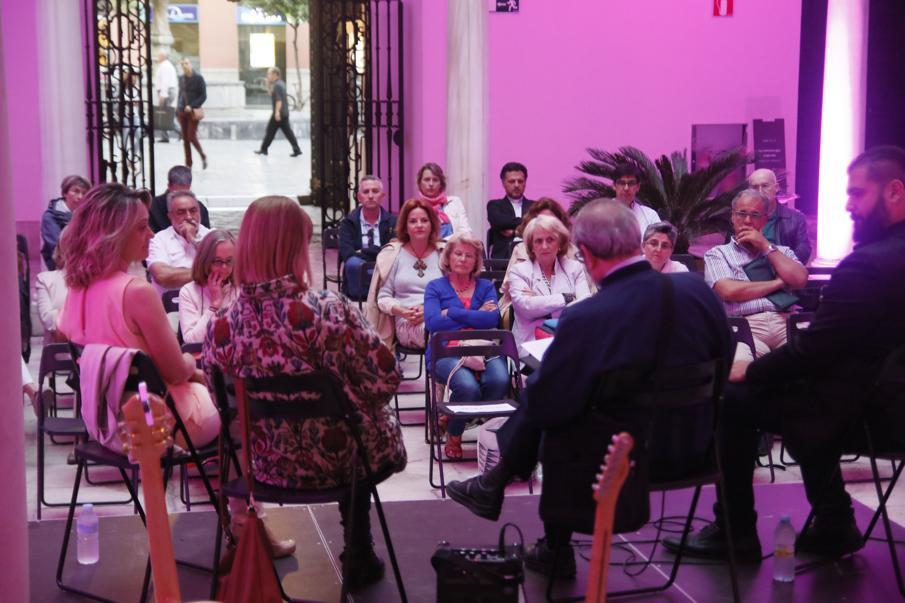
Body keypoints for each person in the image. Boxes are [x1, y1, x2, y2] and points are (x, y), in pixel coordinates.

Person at [445, 199, 733, 577]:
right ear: (637, 240)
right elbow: (725, 358)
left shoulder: (587, 316)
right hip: (697, 448)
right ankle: (495, 485)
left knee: (556, 408)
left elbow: (548, 406)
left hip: (614, 462)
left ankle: (548, 541)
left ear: (584, 255)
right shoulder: (698, 291)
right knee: (561, 397)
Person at [669, 146, 905, 562]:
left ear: (894, 192)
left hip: (872, 411)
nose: (847, 204)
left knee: (735, 400)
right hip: (881, 394)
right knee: (798, 392)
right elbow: (762, 293)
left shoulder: (868, 265)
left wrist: (753, 373)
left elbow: (815, 349)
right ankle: (834, 521)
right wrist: (781, 291)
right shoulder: (722, 256)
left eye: (857, 193)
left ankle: (735, 531)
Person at [203, 195, 406, 590]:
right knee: (356, 429)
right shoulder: (330, 309)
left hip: (265, 467)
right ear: (296, 247)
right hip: (341, 461)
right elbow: (386, 377)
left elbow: (221, 403)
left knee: (349, 427)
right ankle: (359, 550)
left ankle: (358, 549)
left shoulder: (221, 327)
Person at [57, 183, 220, 449]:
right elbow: (176, 371)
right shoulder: (136, 292)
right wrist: (192, 361)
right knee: (238, 403)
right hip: (162, 424)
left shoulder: (77, 288)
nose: (152, 234)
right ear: (114, 235)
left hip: (108, 425)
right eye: (142, 227)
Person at [424, 233, 505, 459]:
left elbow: (492, 320)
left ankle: (452, 416)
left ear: (476, 262)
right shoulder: (435, 287)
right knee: (467, 387)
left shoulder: (486, 286)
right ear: (448, 258)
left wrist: (453, 313)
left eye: (469, 255)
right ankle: (454, 435)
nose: (462, 259)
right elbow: (433, 322)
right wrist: (475, 314)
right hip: (446, 351)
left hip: (484, 348)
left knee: (499, 381)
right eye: (458, 254)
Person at [705, 189, 807, 365]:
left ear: (765, 219)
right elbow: (729, 291)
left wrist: (766, 247)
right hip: (745, 326)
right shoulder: (717, 254)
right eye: (742, 213)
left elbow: (800, 279)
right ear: (732, 216)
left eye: (755, 215)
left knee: (816, 364)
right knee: (738, 372)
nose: (747, 221)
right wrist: (779, 283)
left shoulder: (782, 252)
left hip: (785, 322)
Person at [367, 198, 444, 351]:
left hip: (438, 315)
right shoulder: (393, 254)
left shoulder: (443, 253)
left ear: (432, 225)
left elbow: (453, 293)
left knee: (450, 330)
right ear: (405, 227)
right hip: (407, 322)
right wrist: (402, 310)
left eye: (424, 220)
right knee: (444, 335)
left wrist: (430, 310)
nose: (419, 225)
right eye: (413, 221)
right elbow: (383, 298)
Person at [509, 215, 590, 347]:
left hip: (569, 341)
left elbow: (584, 305)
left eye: (550, 240)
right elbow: (526, 308)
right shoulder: (519, 271)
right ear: (531, 246)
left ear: (560, 243)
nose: (544, 246)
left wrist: (540, 302)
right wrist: (567, 297)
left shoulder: (574, 268)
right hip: (531, 345)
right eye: (538, 241)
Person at [339, 175, 397, 299]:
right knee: (353, 264)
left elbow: (393, 252)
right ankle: (363, 300)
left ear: (382, 196)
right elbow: (347, 255)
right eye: (366, 192)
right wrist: (379, 250)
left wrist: (362, 252)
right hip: (358, 274)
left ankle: (381, 296)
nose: (370, 196)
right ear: (359, 197)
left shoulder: (393, 222)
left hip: (384, 270)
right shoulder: (348, 223)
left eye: (375, 191)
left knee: (392, 264)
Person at [179, 230, 237, 344]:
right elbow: (192, 340)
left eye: (229, 261)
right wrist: (215, 304)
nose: (224, 267)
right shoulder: (188, 292)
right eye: (217, 261)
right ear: (205, 261)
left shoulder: (242, 287)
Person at [148, 190, 211, 294]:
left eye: (193, 211)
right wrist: (207, 272)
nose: (189, 217)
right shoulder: (158, 240)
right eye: (181, 212)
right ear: (170, 216)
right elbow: (163, 277)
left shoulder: (212, 235)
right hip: (170, 307)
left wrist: (192, 239)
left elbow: (225, 268)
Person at [747, 168, 811, 263]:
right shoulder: (740, 218)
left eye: (765, 186)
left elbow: (804, 251)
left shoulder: (795, 218)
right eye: (755, 187)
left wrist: (783, 266)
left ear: (776, 188)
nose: (760, 191)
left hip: (783, 272)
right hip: (748, 275)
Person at [487, 162, 535, 259]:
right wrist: (526, 221)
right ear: (503, 183)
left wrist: (514, 233)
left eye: (520, 181)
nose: (516, 185)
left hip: (532, 257)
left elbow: (538, 227)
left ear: (525, 183)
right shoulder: (495, 205)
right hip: (503, 261)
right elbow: (499, 222)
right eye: (512, 181)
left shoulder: (535, 206)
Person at [41, 175, 89, 270]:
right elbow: (57, 245)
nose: (80, 197)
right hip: (61, 265)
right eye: (76, 191)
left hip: (85, 262)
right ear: (64, 193)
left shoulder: (88, 214)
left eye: (84, 193)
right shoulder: (50, 216)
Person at [254, 67, 302, 157]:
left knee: (270, 131)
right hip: (284, 112)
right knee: (287, 132)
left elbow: (278, 100)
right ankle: (297, 149)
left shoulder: (277, 85)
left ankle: (264, 149)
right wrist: (268, 85)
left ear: (275, 74)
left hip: (279, 113)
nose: (267, 76)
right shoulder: (281, 83)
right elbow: (272, 95)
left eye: (269, 74)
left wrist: (276, 113)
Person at [416, 162, 471, 238]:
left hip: (454, 247)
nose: (431, 184)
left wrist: (448, 243)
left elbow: (465, 231)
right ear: (420, 183)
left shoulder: (455, 202)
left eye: (435, 180)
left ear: (441, 184)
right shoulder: (415, 208)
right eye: (427, 180)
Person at [149, 165, 211, 233]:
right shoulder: (152, 207)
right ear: (169, 186)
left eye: (185, 193)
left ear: (189, 187)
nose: (180, 198)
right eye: (177, 193)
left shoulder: (200, 208)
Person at [34, 241, 70, 343]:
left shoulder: (97, 280)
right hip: (59, 353)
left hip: (90, 353)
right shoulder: (46, 280)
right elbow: (48, 320)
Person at [611, 163, 660, 237]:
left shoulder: (650, 216)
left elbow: (659, 243)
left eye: (631, 183)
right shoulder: (599, 214)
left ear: (638, 187)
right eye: (621, 183)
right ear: (614, 186)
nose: (626, 188)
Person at [177, 57, 207, 170]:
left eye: (186, 63)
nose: (185, 66)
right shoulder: (181, 78)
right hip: (182, 112)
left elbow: (203, 96)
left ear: (191, 64)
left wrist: (192, 105)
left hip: (193, 112)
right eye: (183, 64)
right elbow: (180, 94)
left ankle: (203, 156)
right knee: (185, 139)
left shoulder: (199, 78)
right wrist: (177, 109)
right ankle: (188, 164)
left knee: (191, 136)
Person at [154, 49, 178, 144]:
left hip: (166, 91)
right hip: (168, 91)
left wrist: (162, 96)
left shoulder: (165, 66)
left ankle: (179, 131)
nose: (157, 57)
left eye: (159, 56)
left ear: (163, 57)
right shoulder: (166, 65)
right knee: (164, 113)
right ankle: (165, 136)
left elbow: (165, 82)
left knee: (166, 113)